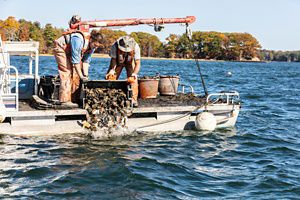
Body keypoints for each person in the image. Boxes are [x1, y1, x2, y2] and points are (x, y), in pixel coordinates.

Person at [53, 22, 103, 108]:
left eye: (97, 46)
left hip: (70, 51)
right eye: (95, 45)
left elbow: (86, 61)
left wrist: (85, 76)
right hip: (61, 47)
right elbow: (75, 61)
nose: (95, 47)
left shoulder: (92, 47)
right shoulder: (78, 39)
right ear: (91, 40)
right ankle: (64, 100)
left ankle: (74, 99)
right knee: (67, 71)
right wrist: (81, 76)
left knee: (77, 74)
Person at [105, 36, 141, 107]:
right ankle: (109, 98)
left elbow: (138, 63)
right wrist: (112, 70)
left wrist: (134, 74)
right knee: (110, 77)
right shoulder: (114, 46)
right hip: (118, 63)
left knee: (133, 80)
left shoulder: (136, 47)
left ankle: (133, 100)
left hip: (130, 63)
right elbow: (113, 60)